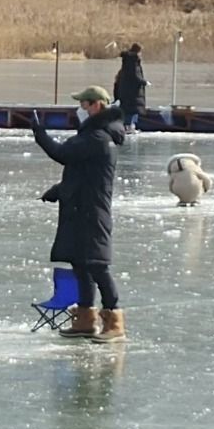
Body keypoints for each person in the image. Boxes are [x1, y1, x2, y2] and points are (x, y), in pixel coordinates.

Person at [30, 85, 127, 343]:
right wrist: (58, 190)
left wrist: (39, 133)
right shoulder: (94, 135)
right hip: (80, 208)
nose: (80, 109)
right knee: (80, 263)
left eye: (84, 104)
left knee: (97, 265)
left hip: (91, 211)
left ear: (97, 105)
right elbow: (83, 174)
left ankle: (114, 320)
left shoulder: (97, 137)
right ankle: (85, 319)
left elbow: (62, 154)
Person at [114, 43, 148, 133]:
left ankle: (129, 126)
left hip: (126, 92)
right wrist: (144, 82)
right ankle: (129, 127)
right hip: (132, 93)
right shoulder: (133, 62)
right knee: (132, 110)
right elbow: (135, 76)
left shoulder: (127, 62)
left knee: (129, 109)